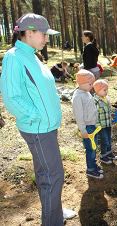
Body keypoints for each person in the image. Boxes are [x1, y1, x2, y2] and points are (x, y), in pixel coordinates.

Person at [0, 13, 75, 225]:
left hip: (47, 127)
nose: (47, 39)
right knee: (52, 177)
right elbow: (11, 97)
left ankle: (55, 210)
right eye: (44, 34)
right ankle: (52, 221)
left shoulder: (32, 55)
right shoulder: (14, 57)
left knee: (50, 174)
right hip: (38, 128)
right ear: (29, 32)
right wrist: (37, 116)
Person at [71, 70, 104, 179]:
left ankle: (93, 163)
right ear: (80, 83)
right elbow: (79, 116)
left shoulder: (86, 93)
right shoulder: (78, 97)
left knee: (93, 147)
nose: (91, 86)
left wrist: (94, 123)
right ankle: (90, 169)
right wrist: (83, 130)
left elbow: (91, 110)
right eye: (90, 84)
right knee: (90, 148)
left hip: (91, 126)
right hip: (86, 127)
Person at [93, 80, 117, 164]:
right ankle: (103, 155)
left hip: (107, 123)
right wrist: (96, 123)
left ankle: (108, 152)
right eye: (104, 90)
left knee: (109, 138)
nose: (106, 92)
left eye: (107, 89)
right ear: (97, 90)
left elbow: (109, 110)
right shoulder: (95, 100)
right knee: (104, 139)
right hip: (101, 125)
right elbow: (94, 113)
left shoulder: (106, 98)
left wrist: (111, 118)